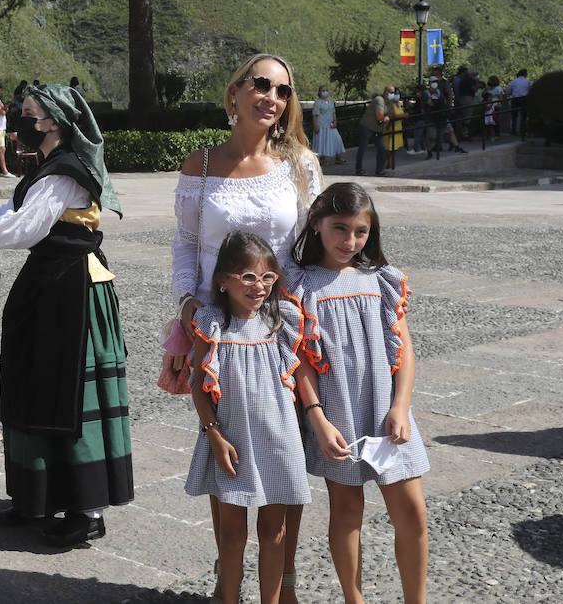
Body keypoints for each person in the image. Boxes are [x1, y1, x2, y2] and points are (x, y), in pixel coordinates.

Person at [0, 84, 132, 547]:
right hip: (48, 289)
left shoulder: (66, 172)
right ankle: (37, 497)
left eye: (28, 113)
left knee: (67, 397)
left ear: (55, 123)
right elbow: (14, 211)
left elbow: (24, 228)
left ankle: (86, 510)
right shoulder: (48, 170)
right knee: (34, 386)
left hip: (75, 293)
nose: (20, 120)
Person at [168, 53, 321, 601]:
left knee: (287, 450)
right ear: (233, 92)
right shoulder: (200, 166)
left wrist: (302, 317)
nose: (271, 97)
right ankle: (225, 574)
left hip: (280, 330)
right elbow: (187, 245)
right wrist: (187, 312)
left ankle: (285, 579)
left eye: (282, 90)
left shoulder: (301, 164)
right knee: (225, 447)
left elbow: (308, 248)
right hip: (217, 326)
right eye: (260, 85)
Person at [289, 182, 430, 604]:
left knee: (413, 513)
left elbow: (404, 350)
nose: (350, 241)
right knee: (347, 512)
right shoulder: (301, 287)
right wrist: (317, 418)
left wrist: (401, 407)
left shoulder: (380, 280)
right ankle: (355, 599)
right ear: (315, 224)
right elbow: (300, 360)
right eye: (340, 229)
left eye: (361, 231)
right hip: (337, 413)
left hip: (390, 414)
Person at [185, 232, 311, 604]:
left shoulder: (281, 321)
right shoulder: (212, 325)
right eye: (248, 277)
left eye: (267, 277)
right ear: (223, 281)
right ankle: (229, 597)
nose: (259, 286)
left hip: (278, 440)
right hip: (232, 443)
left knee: (274, 531)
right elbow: (198, 385)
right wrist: (213, 434)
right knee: (231, 534)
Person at [355, 86, 389, 177]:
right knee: (363, 148)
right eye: (391, 92)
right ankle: (359, 169)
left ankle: (379, 170)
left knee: (382, 148)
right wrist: (385, 118)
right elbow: (379, 117)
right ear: (386, 92)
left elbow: (393, 114)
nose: (394, 95)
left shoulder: (388, 102)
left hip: (377, 129)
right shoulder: (379, 100)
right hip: (367, 127)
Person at [311, 84, 346, 165]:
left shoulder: (331, 101)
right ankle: (321, 159)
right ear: (320, 92)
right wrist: (315, 125)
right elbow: (314, 115)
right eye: (323, 91)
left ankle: (338, 157)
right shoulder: (318, 102)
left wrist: (335, 121)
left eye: (326, 90)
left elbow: (333, 112)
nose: (325, 92)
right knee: (322, 142)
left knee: (337, 139)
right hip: (321, 125)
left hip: (330, 125)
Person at [383, 86, 407, 171]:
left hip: (398, 128)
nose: (397, 95)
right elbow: (393, 115)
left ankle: (388, 163)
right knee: (389, 148)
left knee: (394, 148)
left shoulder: (399, 104)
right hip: (390, 128)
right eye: (395, 94)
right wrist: (404, 115)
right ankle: (385, 164)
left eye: (398, 94)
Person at [504, 69, 531, 136]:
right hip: (524, 99)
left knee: (514, 116)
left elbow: (508, 91)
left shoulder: (514, 81)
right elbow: (530, 90)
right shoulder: (527, 81)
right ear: (525, 74)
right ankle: (522, 131)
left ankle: (513, 130)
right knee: (523, 116)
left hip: (515, 99)